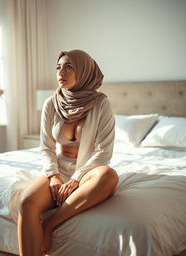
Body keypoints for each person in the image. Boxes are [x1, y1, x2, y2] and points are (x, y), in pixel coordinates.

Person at [17, 49, 119, 256]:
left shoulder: (101, 104)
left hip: (87, 170)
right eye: (58, 67)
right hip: (59, 168)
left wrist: (76, 179)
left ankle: (50, 225)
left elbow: (103, 151)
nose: (60, 72)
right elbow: (46, 146)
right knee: (27, 203)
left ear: (84, 72)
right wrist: (54, 176)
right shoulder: (51, 103)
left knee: (108, 176)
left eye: (68, 67)